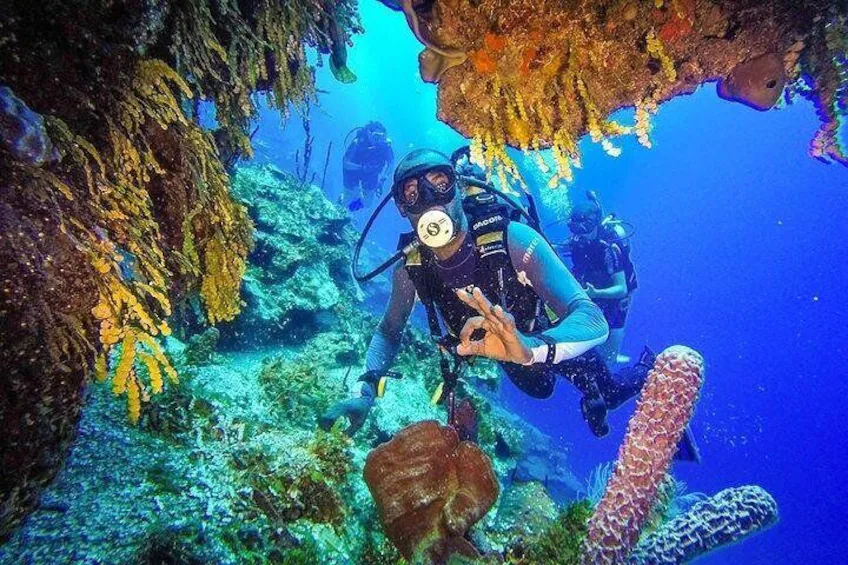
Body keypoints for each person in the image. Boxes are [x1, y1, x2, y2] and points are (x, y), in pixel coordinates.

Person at [321, 149, 698, 459]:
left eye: (439, 184)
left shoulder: (513, 238)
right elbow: (389, 330)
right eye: (412, 193)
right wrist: (364, 392)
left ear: (458, 188)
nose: (429, 200)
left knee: (609, 393)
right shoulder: (412, 267)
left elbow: (592, 320)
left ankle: (650, 369)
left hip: (548, 337)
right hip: (509, 355)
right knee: (542, 390)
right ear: (402, 208)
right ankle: (592, 395)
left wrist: (530, 347)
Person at [565, 194, 638, 366]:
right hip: (593, 288)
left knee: (612, 339)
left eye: (584, 230)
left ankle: (612, 359)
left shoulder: (609, 248)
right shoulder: (579, 240)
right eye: (575, 230)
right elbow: (560, 248)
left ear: (595, 226)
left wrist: (596, 293)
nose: (579, 236)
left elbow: (621, 289)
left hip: (616, 294)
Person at [340, 122, 394, 211]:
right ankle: (345, 198)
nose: (378, 139)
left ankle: (355, 202)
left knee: (368, 203)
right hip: (352, 172)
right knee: (347, 199)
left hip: (371, 173)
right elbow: (346, 163)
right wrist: (362, 168)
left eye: (381, 136)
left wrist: (383, 180)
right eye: (376, 136)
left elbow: (391, 164)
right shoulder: (357, 142)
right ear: (369, 133)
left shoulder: (385, 146)